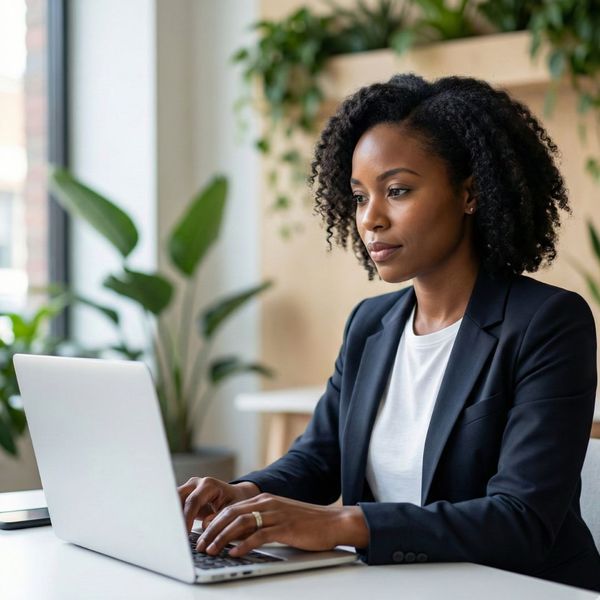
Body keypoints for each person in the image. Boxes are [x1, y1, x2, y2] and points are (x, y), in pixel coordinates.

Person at [178, 73, 600, 592]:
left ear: (470, 194)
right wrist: (241, 494)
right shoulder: (370, 323)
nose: (370, 219)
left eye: (397, 191)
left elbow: (522, 518)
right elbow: (318, 458)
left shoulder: (547, 322)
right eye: (358, 197)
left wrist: (342, 524)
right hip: (396, 585)